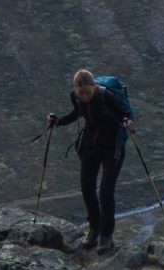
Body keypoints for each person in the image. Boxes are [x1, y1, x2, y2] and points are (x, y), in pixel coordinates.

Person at [47, 68, 135, 253]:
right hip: (91, 144)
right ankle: (94, 230)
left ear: (94, 86)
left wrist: (128, 122)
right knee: (87, 186)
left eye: (88, 92)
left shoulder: (106, 96)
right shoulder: (76, 97)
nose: (85, 97)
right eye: (81, 93)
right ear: (76, 91)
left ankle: (106, 236)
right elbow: (77, 113)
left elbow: (125, 113)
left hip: (113, 146)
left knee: (105, 191)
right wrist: (57, 121)